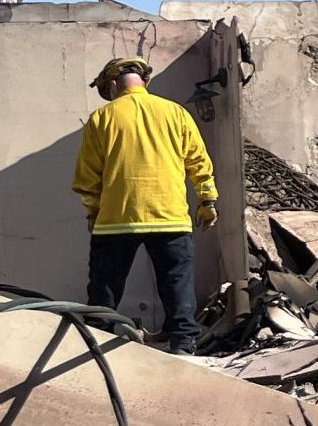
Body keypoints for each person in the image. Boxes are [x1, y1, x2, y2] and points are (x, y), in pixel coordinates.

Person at [71, 55, 218, 353]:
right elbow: (198, 161)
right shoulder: (175, 113)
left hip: (116, 221)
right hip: (170, 218)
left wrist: (93, 213)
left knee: (105, 291)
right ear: (143, 81)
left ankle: (96, 344)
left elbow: (88, 176)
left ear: (113, 84)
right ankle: (184, 345)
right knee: (177, 284)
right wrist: (207, 199)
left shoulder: (103, 118)